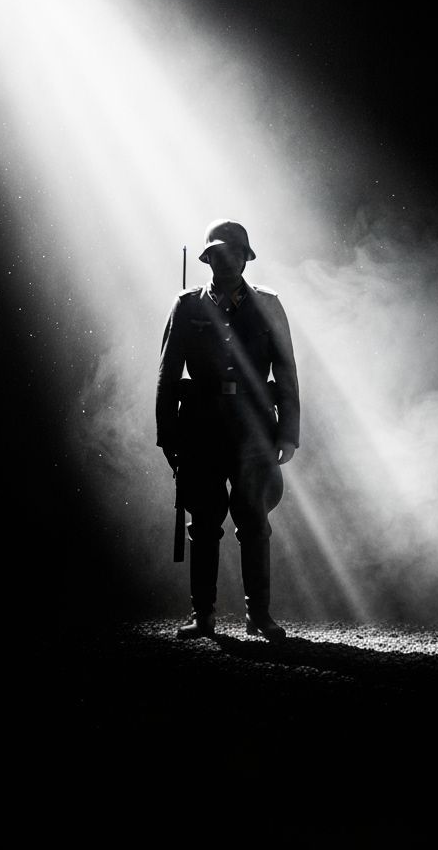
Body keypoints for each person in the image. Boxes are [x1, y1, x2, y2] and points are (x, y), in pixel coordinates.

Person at [156, 219, 300, 640]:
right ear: (208, 258)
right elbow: (167, 376)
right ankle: (204, 614)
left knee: (254, 519)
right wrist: (168, 435)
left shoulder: (269, 306)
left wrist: (288, 433)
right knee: (204, 522)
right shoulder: (186, 306)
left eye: (234, 253)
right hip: (201, 427)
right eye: (218, 253)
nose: (227, 260)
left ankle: (260, 616)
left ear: (245, 257)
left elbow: (286, 372)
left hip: (254, 428)